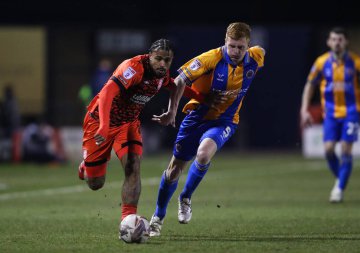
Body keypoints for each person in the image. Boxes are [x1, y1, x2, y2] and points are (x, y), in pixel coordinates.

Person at [77, 38, 219, 235]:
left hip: (128, 124)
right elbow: (107, 92)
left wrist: (201, 97)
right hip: (100, 122)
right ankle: (87, 165)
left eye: (167, 60)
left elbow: (173, 85)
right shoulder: (133, 68)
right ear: (149, 56)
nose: (163, 64)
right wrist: (104, 124)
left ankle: (128, 221)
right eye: (158, 59)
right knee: (95, 183)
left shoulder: (161, 74)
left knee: (133, 166)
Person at [148, 22, 265, 237]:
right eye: (232, 46)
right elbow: (179, 80)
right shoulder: (211, 58)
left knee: (203, 154)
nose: (236, 52)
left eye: (241, 47)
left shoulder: (256, 56)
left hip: (225, 121)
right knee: (174, 169)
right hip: (196, 118)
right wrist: (172, 111)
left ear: (248, 45)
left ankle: (185, 198)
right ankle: (158, 216)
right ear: (225, 42)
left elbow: (262, 51)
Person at [300, 27, 360, 203]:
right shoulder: (321, 62)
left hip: (352, 112)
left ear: (346, 42)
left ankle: (339, 189)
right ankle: (340, 179)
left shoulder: (357, 63)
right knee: (328, 150)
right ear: (328, 42)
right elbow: (310, 86)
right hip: (331, 113)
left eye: (340, 39)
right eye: (334, 39)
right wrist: (304, 109)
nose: (337, 43)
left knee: (345, 149)